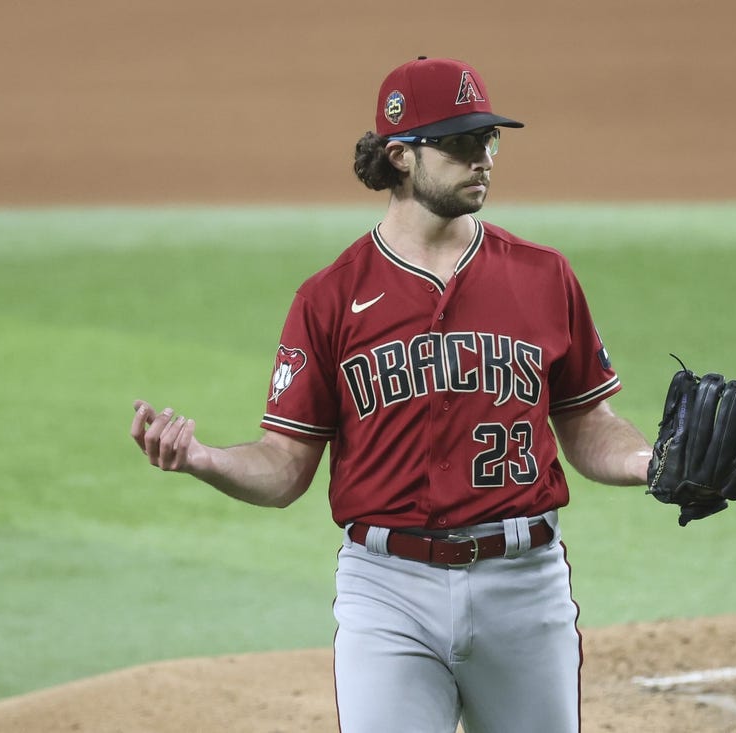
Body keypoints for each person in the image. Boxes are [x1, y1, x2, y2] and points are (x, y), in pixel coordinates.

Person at [131, 56, 654, 733]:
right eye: (462, 143)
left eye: (489, 139)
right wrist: (203, 459)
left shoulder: (544, 275)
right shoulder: (330, 299)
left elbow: (589, 423)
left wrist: (650, 461)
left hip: (524, 585)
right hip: (388, 590)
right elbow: (284, 466)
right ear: (401, 156)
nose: (484, 158)